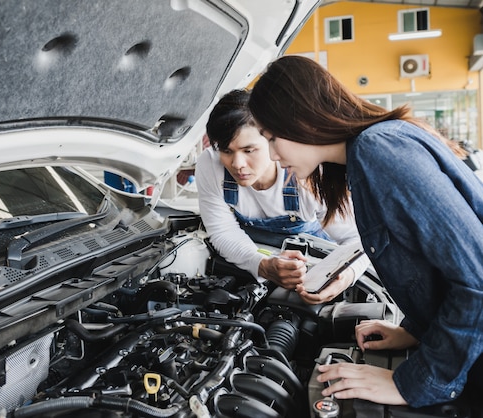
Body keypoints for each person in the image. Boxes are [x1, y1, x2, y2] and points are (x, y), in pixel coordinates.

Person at [248, 55, 483, 408]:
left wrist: (414, 383)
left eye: (270, 137)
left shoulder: (379, 150)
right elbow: (437, 261)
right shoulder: (373, 150)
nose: (271, 153)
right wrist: (417, 332)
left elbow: (477, 275)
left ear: (298, 118)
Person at [196, 89, 369, 305]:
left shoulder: (308, 175)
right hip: (250, 264)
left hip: (313, 273)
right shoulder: (210, 165)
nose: (237, 164)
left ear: (272, 139)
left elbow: (357, 239)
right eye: (226, 151)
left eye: (249, 150)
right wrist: (262, 265)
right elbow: (222, 230)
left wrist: (346, 278)